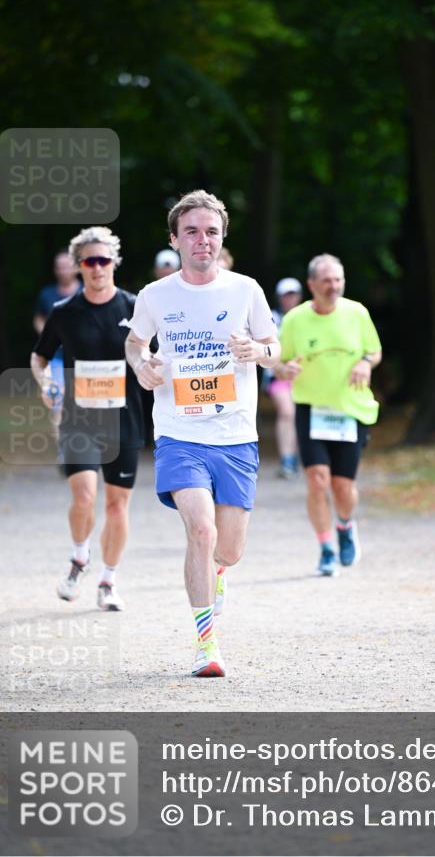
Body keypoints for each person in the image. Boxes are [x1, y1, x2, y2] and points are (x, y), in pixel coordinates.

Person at [125, 190, 279, 678]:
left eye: (211, 231)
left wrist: (256, 350)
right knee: (201, 528)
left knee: (228, 550)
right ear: (175, 239)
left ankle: (215, 574)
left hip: (235, 435)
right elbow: (134, 343)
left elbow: (276, 347)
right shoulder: (155, 296)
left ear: (222, 237)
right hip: (179, 433)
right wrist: (143, 367)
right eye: (191, 231)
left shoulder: (246, 290)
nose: (202, 240)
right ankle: (206, 645)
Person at [31, 227, 145, 612]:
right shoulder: (65, 313)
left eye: (103, 260)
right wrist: (46, 382)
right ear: (78, 266)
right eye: (88, 261)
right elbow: (39, 357)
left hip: (124, 419)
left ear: (114, 262)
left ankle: (109, 580)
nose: (97, 268)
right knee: (84, 496)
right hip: (79, 420)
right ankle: (80, 556)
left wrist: (152, 367)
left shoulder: (133, 307)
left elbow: (153, 353)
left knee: (116, 505)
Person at [277, 254, 382, 577]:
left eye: (338, 279)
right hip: (311, 407)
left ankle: (345, 526)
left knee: (342, 487)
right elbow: (278, 362)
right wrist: (285, 368)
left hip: (349, 409)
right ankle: (325, 548)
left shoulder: (357, 313)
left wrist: (365, 362)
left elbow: (374, 351)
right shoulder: (294, 320)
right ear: (312, 285)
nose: (333, 286)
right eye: (326, 280)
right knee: (317, 480)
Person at [32, 251, 82, 418]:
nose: (63, 271)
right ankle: (61, 437)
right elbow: (38, 318)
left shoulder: (87, 292)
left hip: (84, 357)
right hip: (56, 357)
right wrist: (47, 335)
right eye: (59, 267)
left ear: (76, 268)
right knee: (57, 398)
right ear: (55, 270)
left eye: (66, 267)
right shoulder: (46, 294)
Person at [264, 277, 303, 478]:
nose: (290, 299)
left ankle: (292, 457)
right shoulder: (271, 318)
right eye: (286, 295)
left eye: (293, 294)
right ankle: (287, 458)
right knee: (287, 412)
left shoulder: (307, 317)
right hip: (277, 375)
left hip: (302, 375)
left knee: (297, 414)